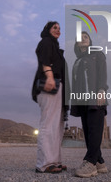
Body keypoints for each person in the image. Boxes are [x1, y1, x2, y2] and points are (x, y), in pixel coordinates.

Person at [32, 21, 69, 174]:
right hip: (50, 86)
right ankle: (44, 164)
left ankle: (54, 161)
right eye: (55, 27)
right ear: (47, 29)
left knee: (57, 127)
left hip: (58, 89)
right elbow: (44, 60)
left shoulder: (56, 47)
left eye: (59, 28)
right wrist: (49, 77)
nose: (58, 30)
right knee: (48, 125)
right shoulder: (46, 42)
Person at [70, 31, 108, 178]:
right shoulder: (77, 61)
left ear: (90, 40)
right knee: (87, 131)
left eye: (86, 37)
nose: (84, 39)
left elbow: (102, 73)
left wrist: (101, 89)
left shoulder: (97, 54)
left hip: (95, 97)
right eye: (80, 38)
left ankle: (90, 162)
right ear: (77, 43)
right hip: (82, 100)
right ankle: (100, 162)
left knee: (95, 129)